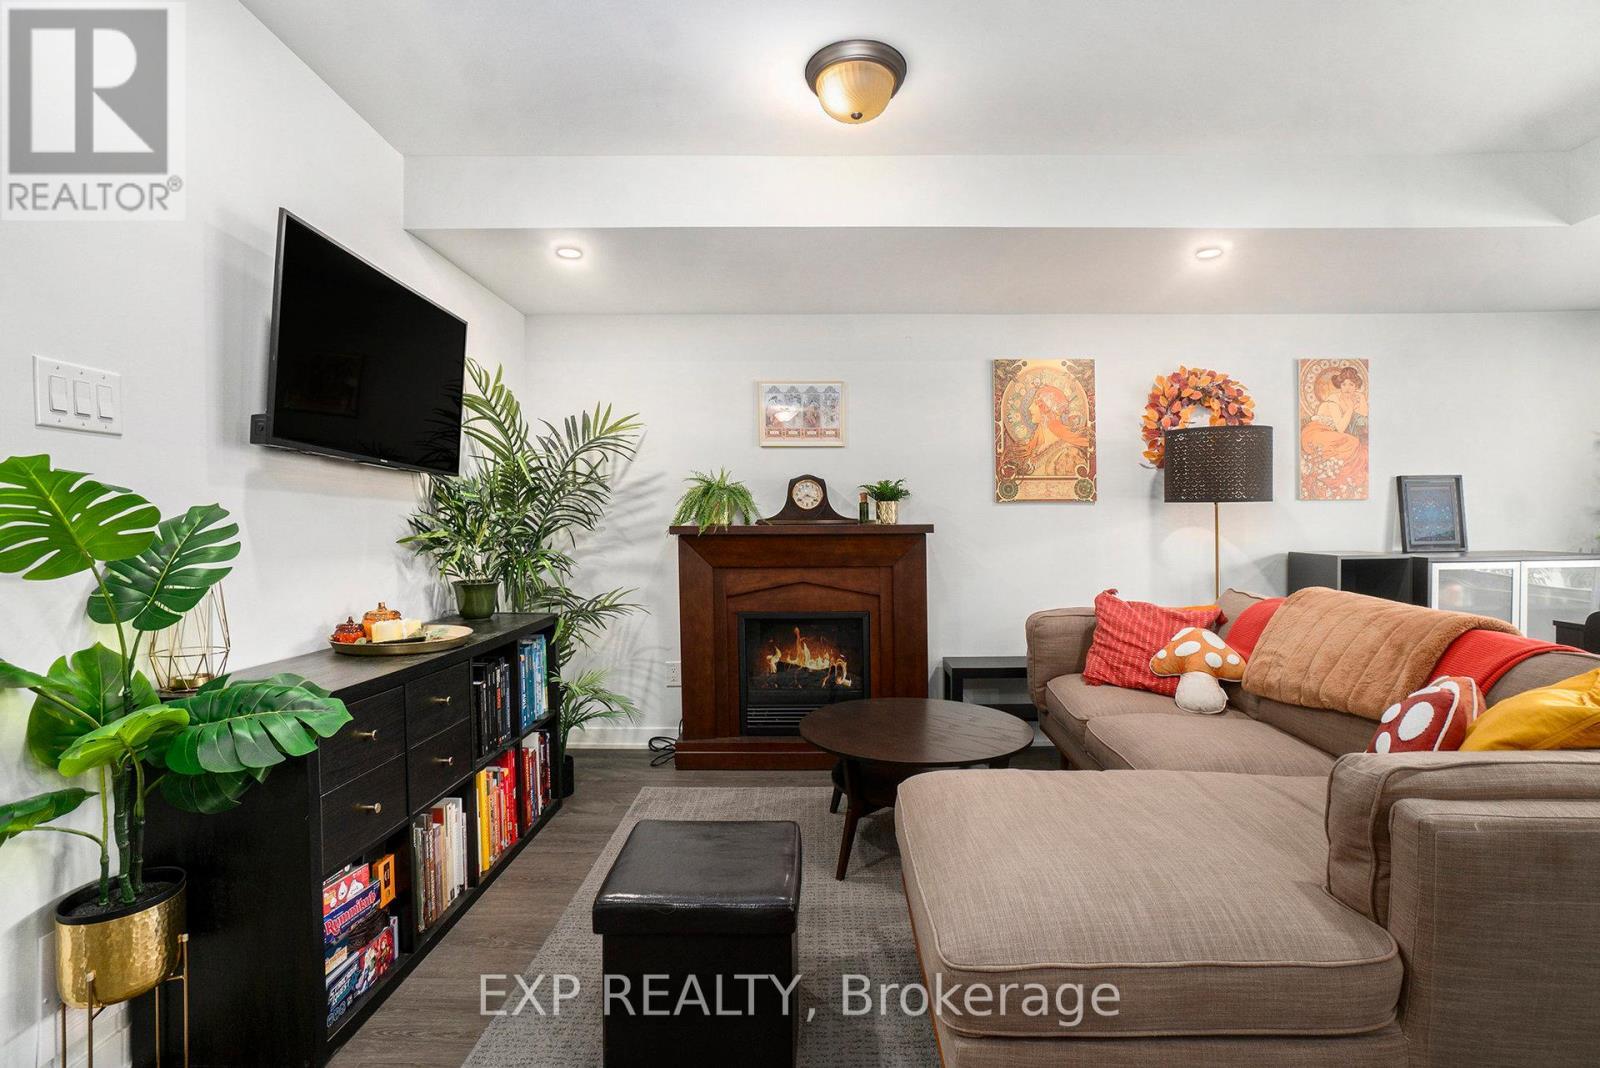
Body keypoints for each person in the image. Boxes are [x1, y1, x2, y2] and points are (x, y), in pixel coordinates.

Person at [1300, 365, 1368, 493]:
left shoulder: (1351, 400)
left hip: (1329, 434)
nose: (1347, 388)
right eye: (1344, 384)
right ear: (1340, 385)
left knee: (1355, 444)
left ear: (1356, 387)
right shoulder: (1333, 400)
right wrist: (1351, 408)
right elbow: (1341, 428)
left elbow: (1364, 417)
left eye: (1351, 385)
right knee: (1352, 442)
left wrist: (1362, 399)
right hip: (1315, 433)